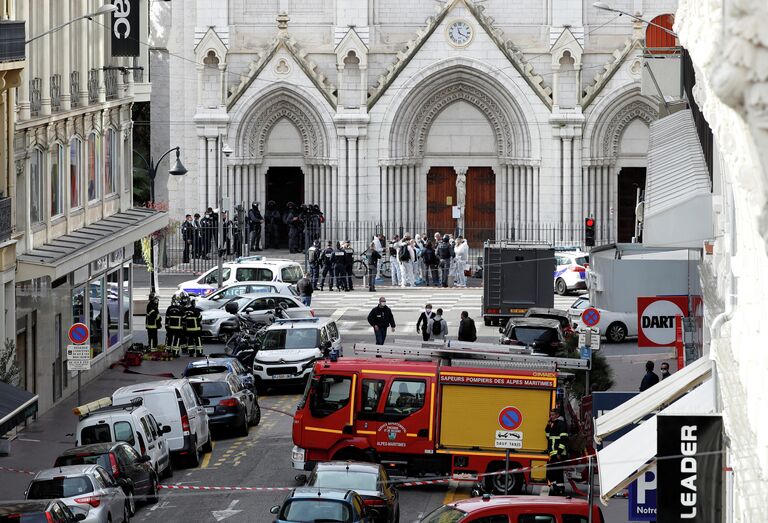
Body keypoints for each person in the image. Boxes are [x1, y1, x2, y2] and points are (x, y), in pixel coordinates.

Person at [545, 408, 569, 495]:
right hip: (553, 453)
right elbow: (548, 435)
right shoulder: (553, 424)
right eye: (550, 415)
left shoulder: (561, 424)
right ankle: (555, 488)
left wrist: (559, 452)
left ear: (557, 415)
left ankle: (560, 490)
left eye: (553, 415)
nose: (551, 417)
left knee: (557, 473)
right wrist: (548, 425)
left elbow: (564, 439)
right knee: (552, 472)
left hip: (559, 453)